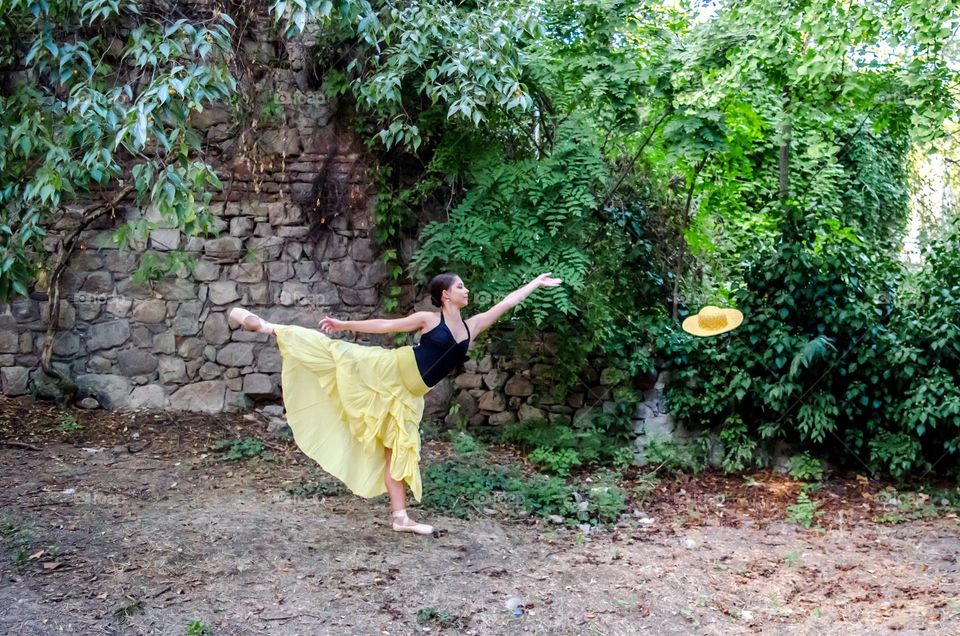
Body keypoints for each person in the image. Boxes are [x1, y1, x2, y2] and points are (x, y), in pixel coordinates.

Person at [228, 272, 562, 535]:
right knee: (338, 355)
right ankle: (269, 328)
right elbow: (387, 326)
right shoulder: (430, 319)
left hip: (408, 394)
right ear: (446, 295)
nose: (466, 291)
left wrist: (535, 283)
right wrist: (344, 325)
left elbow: (506, 303)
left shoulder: (471, 327)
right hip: (390, 371)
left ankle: (400, 518)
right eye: (461, 287)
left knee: (396, 449)